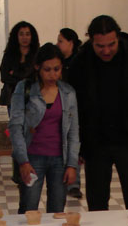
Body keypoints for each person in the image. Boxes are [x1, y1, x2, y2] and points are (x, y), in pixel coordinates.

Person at [67, 15, 128, 212]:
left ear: (118, 37)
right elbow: (70, 106)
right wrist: (78, 143)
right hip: (95, 143)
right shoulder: (80, 63)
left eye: (111, 45)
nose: (106, 51)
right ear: (90, 40)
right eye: (99, 46)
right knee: (96, 203)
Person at [8, 43, 79, 214]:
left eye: (57, 69)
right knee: (28, 208)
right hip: (33, 157)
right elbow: (16, 127)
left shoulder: (68, 93)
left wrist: (72, 164)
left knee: (57, 211)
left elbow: (73, 132)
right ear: (37, 67)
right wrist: (23, 161)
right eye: (47, 69)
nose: (52, 75)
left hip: (59, 160)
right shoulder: (24, 88)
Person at [56, 28, 83, 198]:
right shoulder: (59, 62)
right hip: (61, 108)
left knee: (74, 144)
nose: (57, 44)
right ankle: (63, 180)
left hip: (75, 109)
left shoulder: (78, 63)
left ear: (71, 43)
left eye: (60, 41)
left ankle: (74, 183)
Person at [0, 21, 39, 108]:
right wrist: (24, 77)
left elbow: (35, 77)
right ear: (16, 36)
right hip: (12, 97)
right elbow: (4, 76)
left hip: (32, 96)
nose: (25, 38)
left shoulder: (37, 54)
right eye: (21, 34)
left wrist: (15, 74)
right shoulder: (9, 54)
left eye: (27, 34)